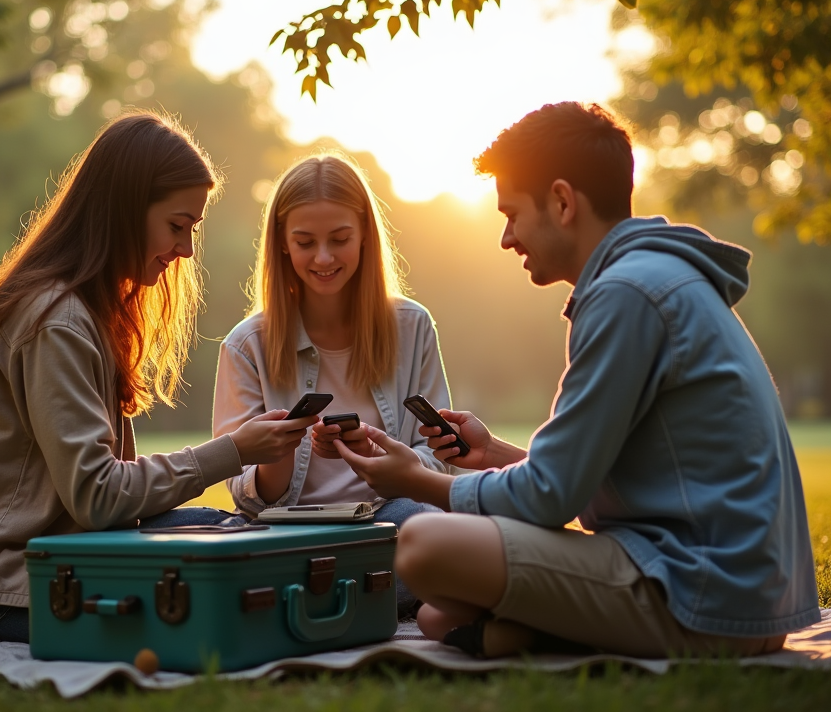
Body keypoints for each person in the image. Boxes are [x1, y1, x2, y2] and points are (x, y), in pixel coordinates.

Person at [332, 102, 820, 657]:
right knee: (442, 614)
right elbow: (581, 479)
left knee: (422, 542)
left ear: (562, 202)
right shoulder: (651, 278)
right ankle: (517, 634)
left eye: (512, 214)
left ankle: (550, 633)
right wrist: (492, 452)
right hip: (728, 589)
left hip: (704, 592)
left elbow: (550, 498)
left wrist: (416, 481)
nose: (506, 238)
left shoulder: (626, 293)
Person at [0, 112, 319, 646]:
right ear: (125, 210)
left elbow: (96, 502)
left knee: (234, 537)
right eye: (177, 226)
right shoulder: (56, 323)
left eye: (192, 230)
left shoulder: (82, 310)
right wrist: (233, 449)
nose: (186, 250)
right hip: (16, 587)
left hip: (65, 556)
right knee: (229, 598)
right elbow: (98, 496)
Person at [212, 154, 454, 612]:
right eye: (305, 242)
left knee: (425, 527)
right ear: (282, 243)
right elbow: (242, 491)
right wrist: (277, 451)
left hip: (387, 520)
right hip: (284, 530)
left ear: (365, 235)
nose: (323, 258)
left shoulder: (411, 325)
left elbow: (442, 457)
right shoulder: (247, 345)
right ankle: (361, 595)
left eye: (340, 239)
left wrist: (379, 458)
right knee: (177, 522)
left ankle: (293, 597)